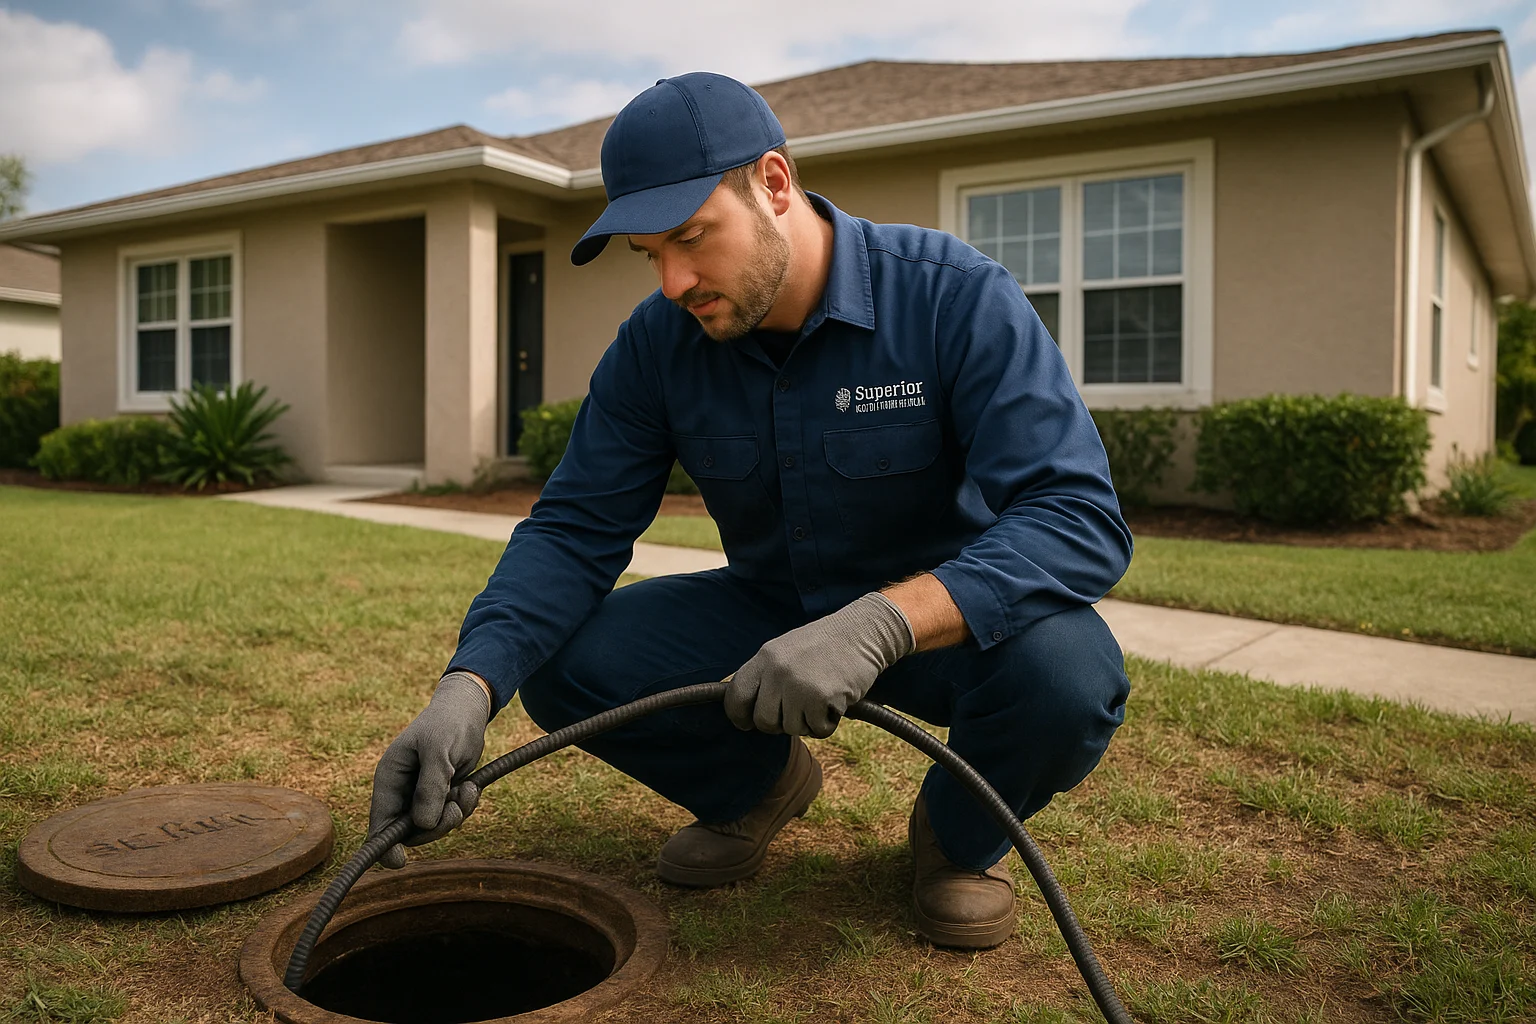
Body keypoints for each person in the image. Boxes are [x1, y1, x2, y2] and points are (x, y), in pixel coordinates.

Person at [368, 71, 1133, 949]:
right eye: (648, 254)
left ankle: (958, 842)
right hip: (771, 613)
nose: (673, 281)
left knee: (1071, 677)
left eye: (692, 238)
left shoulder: (953, 296)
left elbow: (1076, 514)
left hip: (941, 622)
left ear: (774, 184)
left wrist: (882, 623)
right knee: (564, 660)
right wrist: (467, 686)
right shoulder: (659, 345)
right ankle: (755, 789)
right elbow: (575, 529)